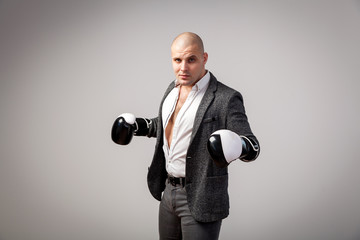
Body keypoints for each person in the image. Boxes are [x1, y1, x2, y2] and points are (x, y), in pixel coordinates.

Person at [112, 32, 260, 240]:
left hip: (200, 195)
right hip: (168, 192)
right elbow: (166, 125)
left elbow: (252, 146)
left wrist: (238, 145)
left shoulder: (226, 98)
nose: (183, 68)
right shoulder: (172, 90)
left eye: (191, 59)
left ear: (204, 58)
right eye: (177, 60)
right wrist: (139, 126)